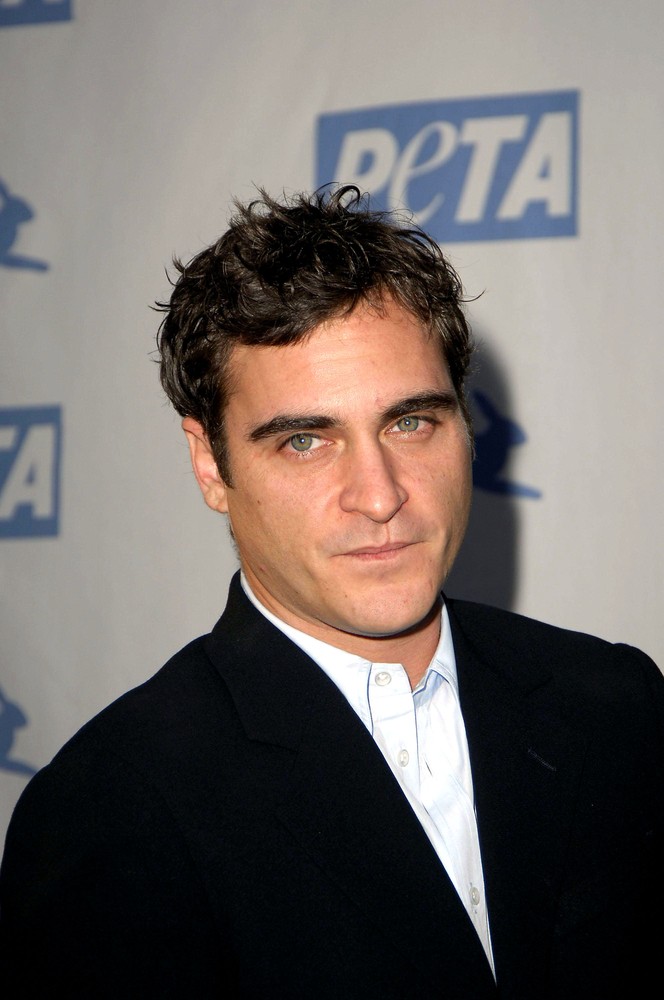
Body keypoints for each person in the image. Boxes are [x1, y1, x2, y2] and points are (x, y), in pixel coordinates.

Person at [0, 186, 662, 999]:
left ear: (464, 423)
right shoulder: (113, 808)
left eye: (410, 422)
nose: (380, 495)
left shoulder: (615, 706)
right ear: (211, 465)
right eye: (306, 441)